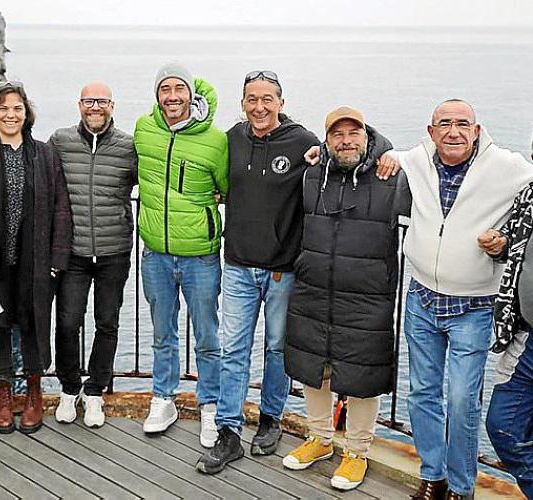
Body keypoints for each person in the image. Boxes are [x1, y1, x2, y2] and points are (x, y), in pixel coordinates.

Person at [399, 99, 533, 500]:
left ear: (476, 130)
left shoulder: (506, 166)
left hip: (473, 306)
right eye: (444, 124)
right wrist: (319, 153)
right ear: (431, 132)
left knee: (461, 400)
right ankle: (433, 475)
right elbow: (379, 154)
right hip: (421, 298)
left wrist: (505, 238)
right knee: (422, 392)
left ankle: (461, 486)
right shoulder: (417, 161)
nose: (453, 131)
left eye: (462, 124)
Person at [197, 70, 320, 474]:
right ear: (242, 103)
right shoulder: (232, 138)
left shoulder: (302, 142)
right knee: (233, 349)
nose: (260, 106)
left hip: (283, 269)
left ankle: (270, 419)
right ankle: (229, 431)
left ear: (281, 103)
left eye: (268, 99)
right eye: (252, 99)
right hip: (238, 266)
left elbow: (346, 155)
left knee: (277, 348)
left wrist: (383, 152)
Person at [281, 107, 409, 491]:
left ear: (367, 137)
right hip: (315, 288)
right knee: (314, 367)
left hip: (367, 295)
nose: (346, 141)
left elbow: (435, 188)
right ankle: (320, 439)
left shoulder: (391, 177)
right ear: (327, 141)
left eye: (354, 133)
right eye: (337, 135)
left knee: (362, 374)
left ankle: (357, 452)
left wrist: (400, 156)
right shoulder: (312, 175)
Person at [0, 82, 72, 434]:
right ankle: (4, 392)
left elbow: (61, 208)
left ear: (26, 113)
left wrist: (57, 259)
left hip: (36, 261)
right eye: (3, 108)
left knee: (35, 323)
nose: (11, 114)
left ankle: (34, 390)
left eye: (17, 108)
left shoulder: (44, 155)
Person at [134, 62, 228, 444]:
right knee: (162, 333)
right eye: (165, 89)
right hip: (155, 253)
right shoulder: (144, 129)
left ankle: (211, 405)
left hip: (200, 256)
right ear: (157, 95)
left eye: (179, 89)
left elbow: (227, 187)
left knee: (207, 335)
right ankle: (164, 398)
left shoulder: (216, 140)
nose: (172, 97)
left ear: (191, 94)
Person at [49, 82, 136, 428]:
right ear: (80, 105)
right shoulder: (60, 141)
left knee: (107, 323)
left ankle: (96, 391)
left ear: (112, 105)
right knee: (67, 322)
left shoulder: (129, 146)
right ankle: (69, 388)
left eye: (101, 101)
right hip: (73, 252)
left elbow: (156, 182)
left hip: (115, 250)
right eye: (89, 101)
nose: (95, 107)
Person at [485, 181, 533, 499]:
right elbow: (515, 246)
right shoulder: (529, 195)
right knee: (504, 426)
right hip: (526, 336)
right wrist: (500, 243)